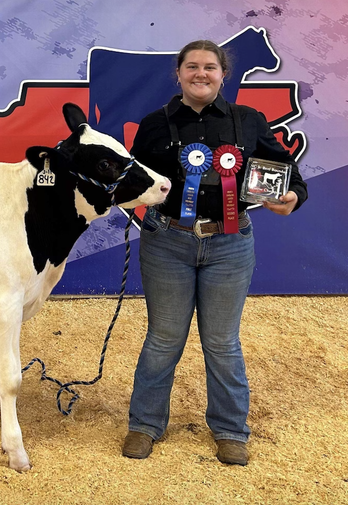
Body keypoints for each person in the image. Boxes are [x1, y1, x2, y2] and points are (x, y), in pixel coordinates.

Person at [121, 40, 307, 466]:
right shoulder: (153, 125)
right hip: (167, 241)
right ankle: (145, 424)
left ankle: (229, 430)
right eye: (191, 67)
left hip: (230, 244)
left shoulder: (249, 121)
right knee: (164, 338)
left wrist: (292, 196)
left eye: (209, 67)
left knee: (222, 342)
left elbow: (290, 174)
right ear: (179, 74)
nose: (200, 74)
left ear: (224, 73)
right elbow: (132, 180)